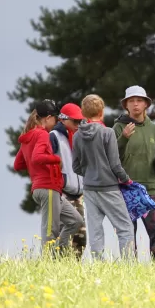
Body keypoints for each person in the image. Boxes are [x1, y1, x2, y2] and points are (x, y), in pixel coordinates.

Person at [13, 100, 85, 256]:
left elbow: (18, 164)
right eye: (55, 118)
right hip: (47, 187)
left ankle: (56, 253)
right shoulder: (42, 134)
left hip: (42, 188)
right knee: (50, 229)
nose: (56, 121)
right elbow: (37, 157)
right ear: (48, 118)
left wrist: (36, 169)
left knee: (76, 221)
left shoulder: (28, 136)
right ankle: (48, 261)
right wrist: (55, 160)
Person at [72, 94, 135, 259]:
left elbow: (76, 166)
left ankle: (99, 265)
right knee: (125, 228)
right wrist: (127, 179)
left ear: (83, 114)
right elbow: (115, 165)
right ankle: (129, 266)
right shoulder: (107, 133)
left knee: (95, 229)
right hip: (109, 187)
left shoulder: (77, 136)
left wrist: (91, 174)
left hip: (89, 189)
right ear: (101, 112)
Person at [112, 86, 155, 265]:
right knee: (128, 234)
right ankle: (130, 271)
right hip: (125, 189)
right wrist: (124, 138)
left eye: (139, 100)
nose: (135, 104)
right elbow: (113, 158)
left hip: (150, 189)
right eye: (131, 101)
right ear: (126, 105)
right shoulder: (119, 127)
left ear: (146, 104)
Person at [49, 103, 86, 259]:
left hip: (79, 193)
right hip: (63, 192)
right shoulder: (53, 136)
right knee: (67, 229)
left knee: (81, 234)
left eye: (80, 121)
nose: (78, 125)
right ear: (63, 119)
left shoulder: (79, 136)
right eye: (75, 121)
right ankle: (60, 261)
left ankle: (75, 266)